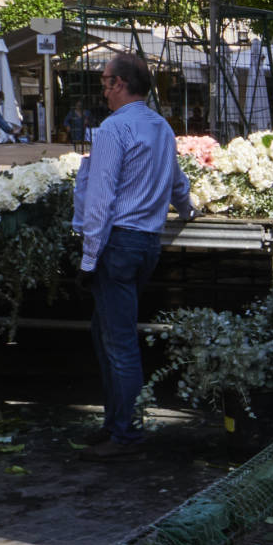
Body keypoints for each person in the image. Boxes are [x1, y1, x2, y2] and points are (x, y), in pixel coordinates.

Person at [75, 55, 192, 458]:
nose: (102, 89)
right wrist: (189, 209)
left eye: (105, 81)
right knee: (106, 333)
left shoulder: (113, 128)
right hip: (147, 244)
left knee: (118, 342)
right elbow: (177, 181)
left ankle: (124, 433)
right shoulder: (161, 126)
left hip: (119, 243)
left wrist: (89, 258)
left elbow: (100, 196)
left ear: (121, 83)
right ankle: (115, 424)